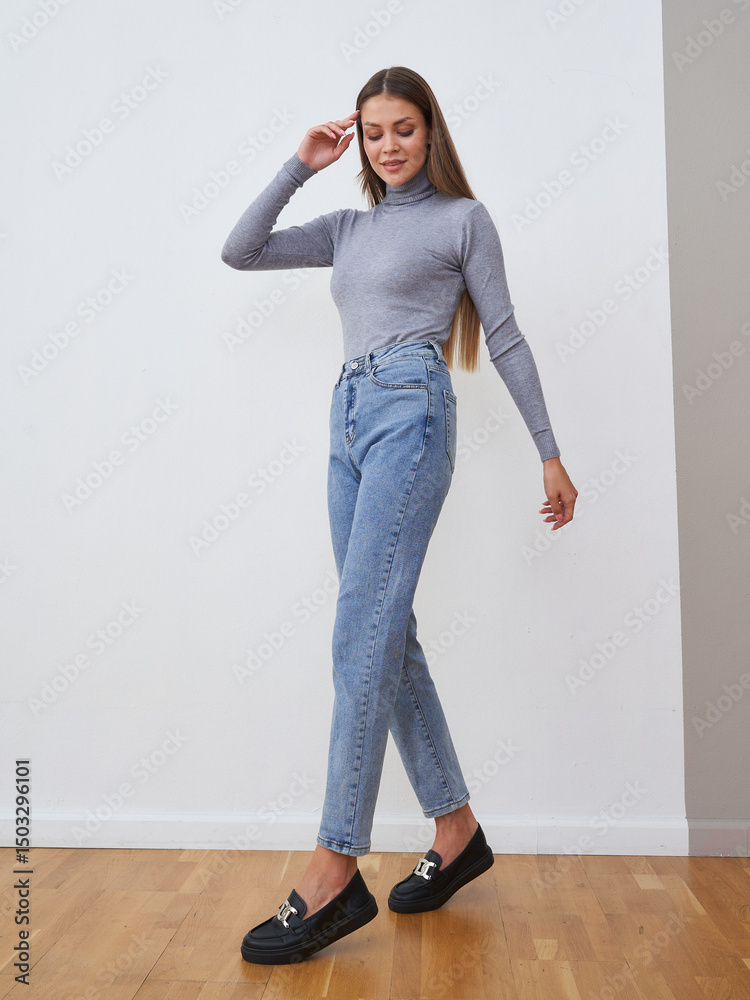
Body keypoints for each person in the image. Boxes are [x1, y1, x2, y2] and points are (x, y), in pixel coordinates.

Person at [221, 65, 577, 965]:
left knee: (359, 632)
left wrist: (548, 450)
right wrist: (300, 164)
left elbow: (504, 333)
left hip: (411, 411)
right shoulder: (348, 227)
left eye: (404, 129)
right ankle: (457, 829)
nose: (388, 145)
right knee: (386, 632)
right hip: (346, 420)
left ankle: (335, 868)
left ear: (431, 133)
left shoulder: (463, 220)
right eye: (373, 132)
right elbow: (241, 250)